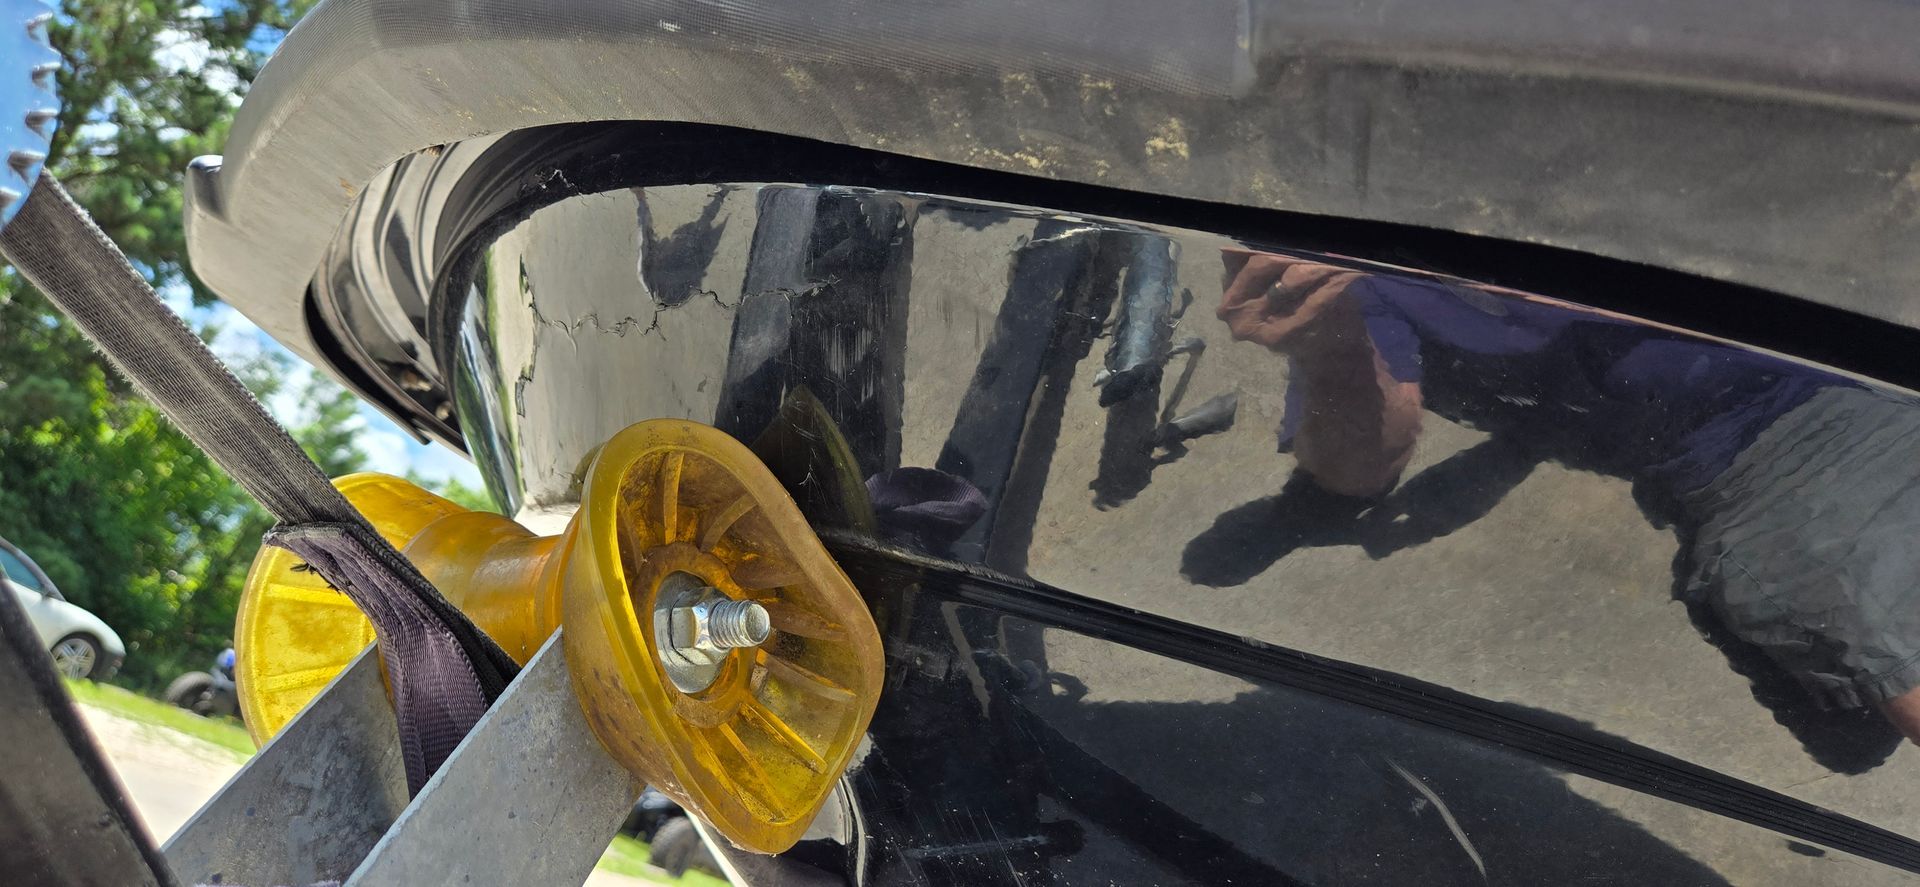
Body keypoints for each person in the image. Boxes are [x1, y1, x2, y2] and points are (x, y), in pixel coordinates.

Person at [1209, 248, 1920, 756]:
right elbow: (1365, 461)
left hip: (1802, 436)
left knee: (1875, 695)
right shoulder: (1363, 278)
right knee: (1846, 737)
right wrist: (1327, 344)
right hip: (1713, 472)